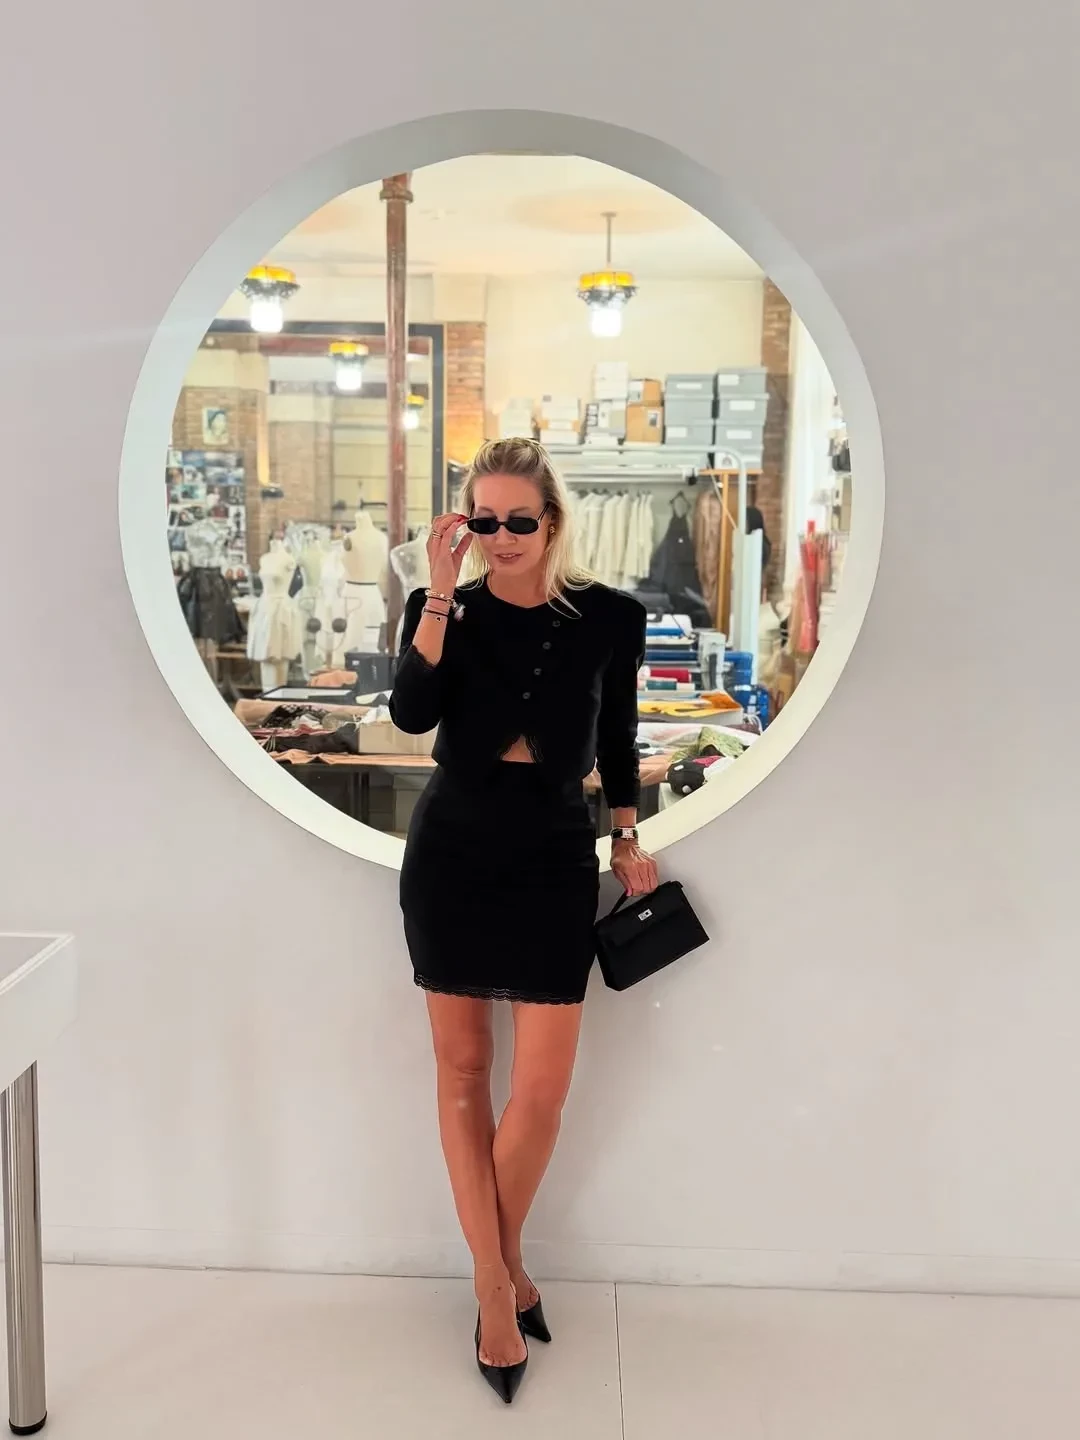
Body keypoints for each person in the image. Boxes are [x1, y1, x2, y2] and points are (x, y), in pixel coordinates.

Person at [389, 437, 659, 1404]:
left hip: (551, 852)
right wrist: (435, 592)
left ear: (552, 520)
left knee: (540, 1089)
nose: (500, 537)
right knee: (463, 1072)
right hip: (452, 851)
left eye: (517, 520)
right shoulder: (446, 611)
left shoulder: (611, 617)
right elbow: (411, 714)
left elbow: (618, 733)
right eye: (483, 520)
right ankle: (497, 1288)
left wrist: (625, 835)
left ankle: (493, 1268)